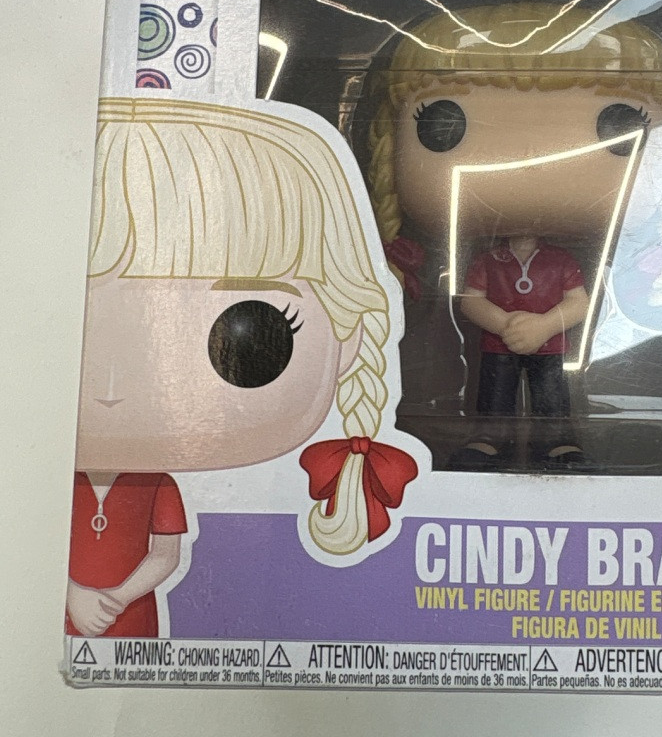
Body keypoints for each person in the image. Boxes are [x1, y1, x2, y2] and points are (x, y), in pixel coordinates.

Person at [67, 97, 416, 639]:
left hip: (131, 622)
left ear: (347, 334)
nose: (111, 388)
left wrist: (113, 599)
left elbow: (165, 555)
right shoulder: (48, 479)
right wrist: (71, 592)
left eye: (252, 334)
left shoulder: (157, 484)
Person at [365, 3, 662, 467]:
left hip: (549, 342)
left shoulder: (560, 262)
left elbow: (579, 302)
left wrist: (544, 325)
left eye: (619, 122)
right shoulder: (488, 262)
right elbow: (470, 301)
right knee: (493, 389)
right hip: (497, 342)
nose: (532, 158)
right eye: (442, 122)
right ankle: (488, 438)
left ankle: (557, 440)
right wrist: (502, 324)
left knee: (550, 390)